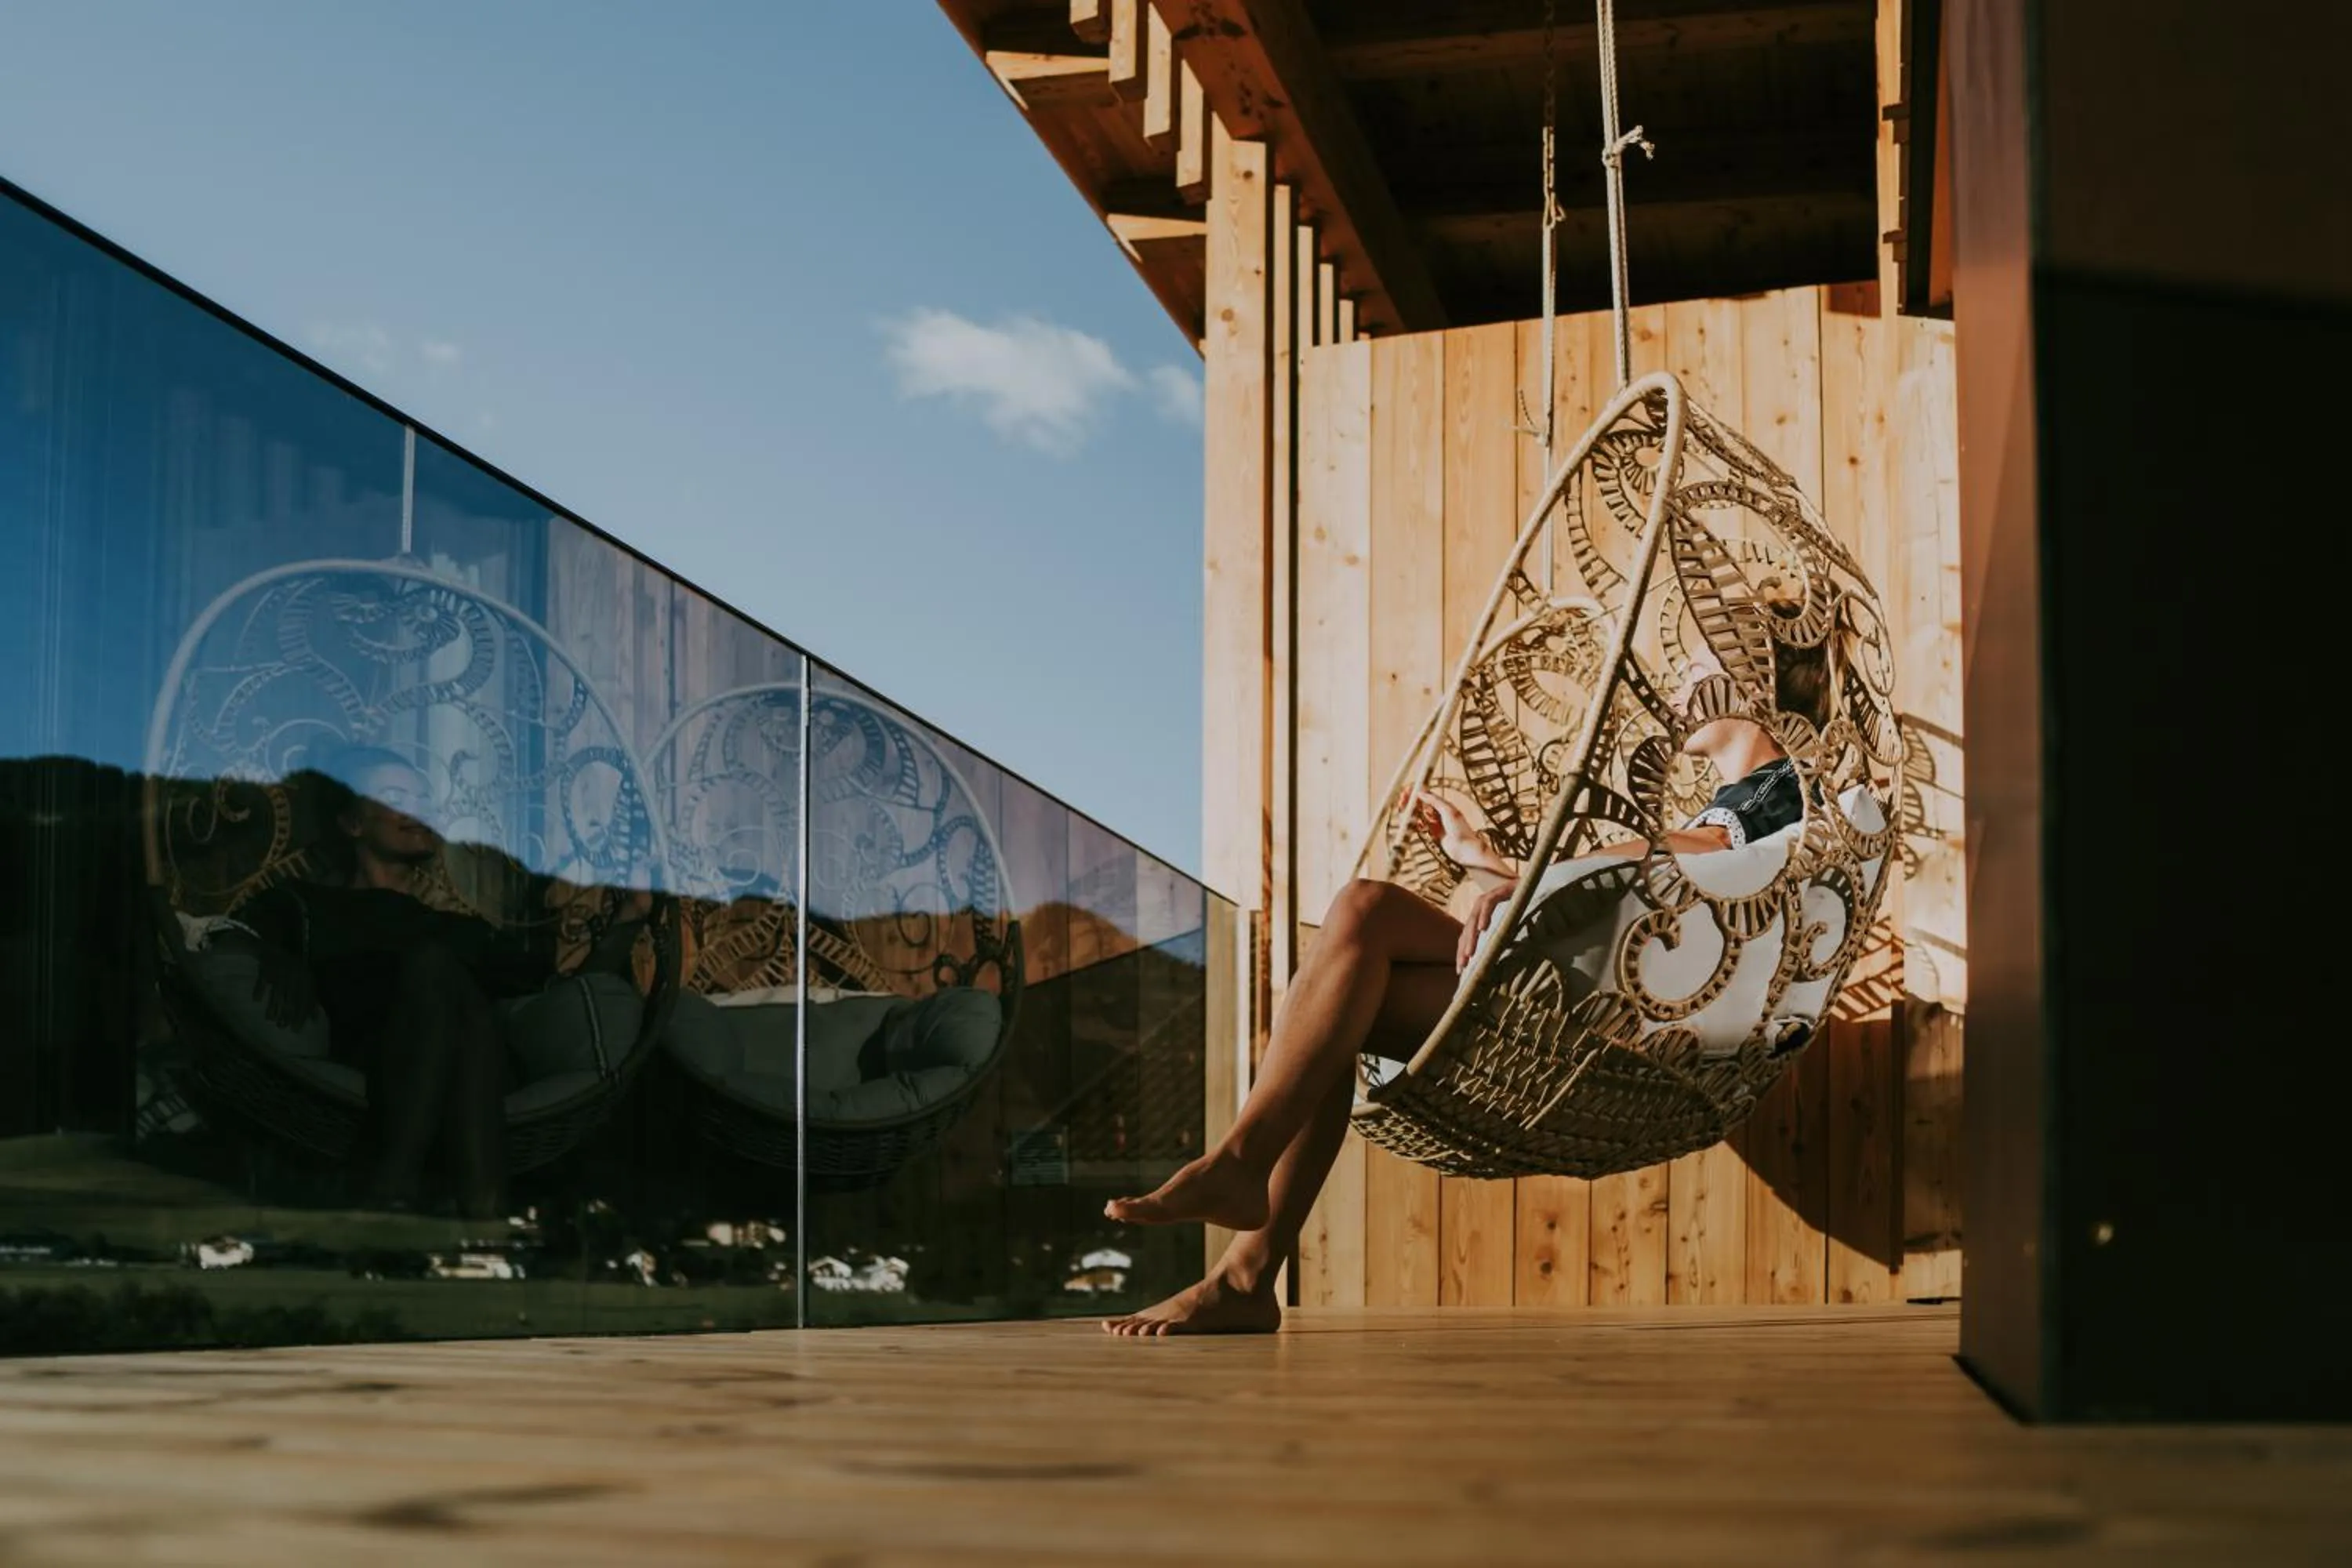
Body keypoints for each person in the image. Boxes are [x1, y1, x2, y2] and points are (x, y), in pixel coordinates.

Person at [1100, 598, 1832, 1335]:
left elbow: (1689, 855)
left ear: (1748, 678)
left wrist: (1530, 879)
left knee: (1362, 912)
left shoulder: (1773, 790)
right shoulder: (1741, 801)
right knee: (1339, 1004)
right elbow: (1655, 873)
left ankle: (1240, 1181)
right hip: (1589, 997)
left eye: (1700, 664)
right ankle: (1244, 1274)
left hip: (1600, 1019)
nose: (1681, 683)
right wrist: (1490, 862)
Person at [230, 747, 637, 1218]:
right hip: (378, 1057)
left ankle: (388, 1195)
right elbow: (235, 940)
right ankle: (484, 1217)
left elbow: (567, 994)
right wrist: (274, 953)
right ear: (352, 824)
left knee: (441, 973)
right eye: (395, 795)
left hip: (482, 1069)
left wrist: (625, 923)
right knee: (436, 970)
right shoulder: (303, 905)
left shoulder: (464, 931)